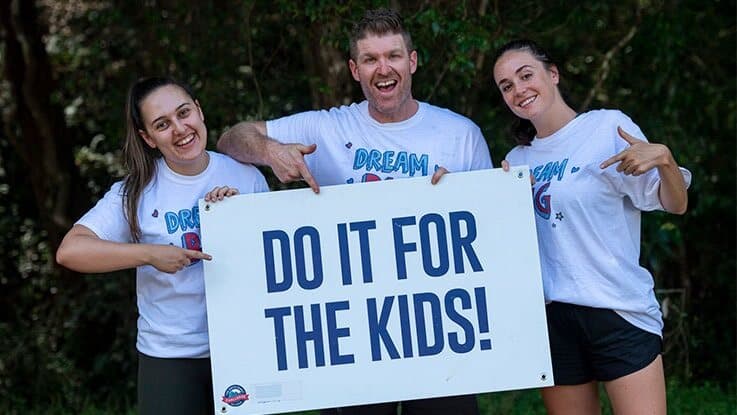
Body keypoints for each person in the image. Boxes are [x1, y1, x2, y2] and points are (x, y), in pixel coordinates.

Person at [218, 8, 492, 415]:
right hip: (353, 341)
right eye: (370, 59)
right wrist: (270, 150)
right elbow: (230, 139)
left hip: (437, 336)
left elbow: (492, 232)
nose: (384, 68)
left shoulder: (460, 134)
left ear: (412, 61)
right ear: (354, 69)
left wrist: (463, 201)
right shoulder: (327, 128)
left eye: (393, 56)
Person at [492, 39, 691, 415]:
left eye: (525, 75)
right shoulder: (516, 160)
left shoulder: (606, 128)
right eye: (506, 86)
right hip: (553, 319)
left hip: (617, 310)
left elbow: (674, 204)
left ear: (552, 74)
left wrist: (665, 159)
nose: (518, 90)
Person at [55, 77, 269, 415]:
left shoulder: (246, 176)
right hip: (170, 357)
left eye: (184, 113)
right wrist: (149, 254)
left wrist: (236, 217)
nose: (180, 129)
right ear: (148, 138)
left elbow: (271, 262)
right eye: (162, 124)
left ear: (199, 111)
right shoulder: (136, 192)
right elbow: (70, 251)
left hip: (242, 348)